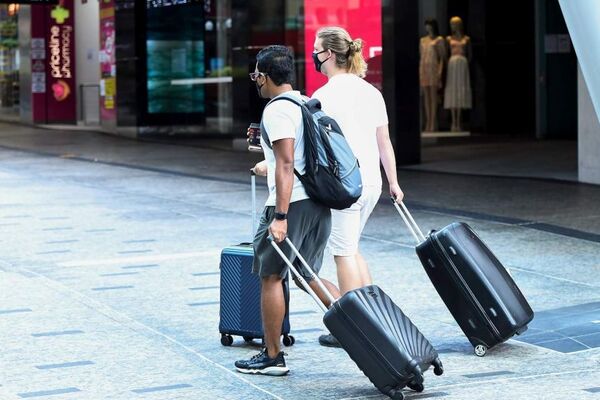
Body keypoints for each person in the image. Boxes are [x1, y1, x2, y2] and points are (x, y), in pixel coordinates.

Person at [234, 45, 337, 376]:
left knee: (271, 276)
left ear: (264, 76)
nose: (255, 82)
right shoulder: (305, 102)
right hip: (318, 202)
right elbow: (295, 157)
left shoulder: (276, 109)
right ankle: (361, 326)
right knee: (308, 276)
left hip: (290, 205)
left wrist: (279, 217)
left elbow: (288, 162)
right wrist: (268, 161)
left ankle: (273, 355)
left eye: (255, 76)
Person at [311, 26, 404, 347]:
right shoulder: (371, 92)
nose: (314, 55)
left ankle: (356, 327)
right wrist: (394, 182)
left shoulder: (322, 97)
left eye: (316, 49)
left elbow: (316, 149)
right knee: (353, 248)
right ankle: (372, 316)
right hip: (372, 183)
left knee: (343, 252)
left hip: (343, 186)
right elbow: (384, 142)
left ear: (330, 55)